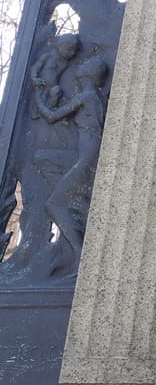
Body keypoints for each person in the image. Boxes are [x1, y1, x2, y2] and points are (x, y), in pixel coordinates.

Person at [35, 56, 107, 264]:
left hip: (87, 157)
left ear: (88, 74)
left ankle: (80, 255)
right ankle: (76, 203)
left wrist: (38, 94)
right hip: (85, 153)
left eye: (85, 64)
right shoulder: (95, 96)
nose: (81, 65)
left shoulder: (86, 96)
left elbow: (51, 116)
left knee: (54, 203)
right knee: (42, 158)